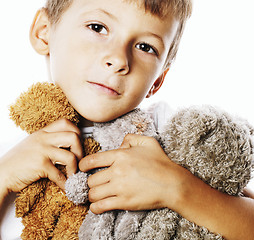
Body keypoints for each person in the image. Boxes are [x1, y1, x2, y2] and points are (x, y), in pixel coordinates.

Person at [0, 0, 253, 239]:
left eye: (145, 47)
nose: (119, 60)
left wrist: (176, 188)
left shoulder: (163, 138)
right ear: (44, 31)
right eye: (97, 28)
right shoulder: (10, 147)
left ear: (157, 80)